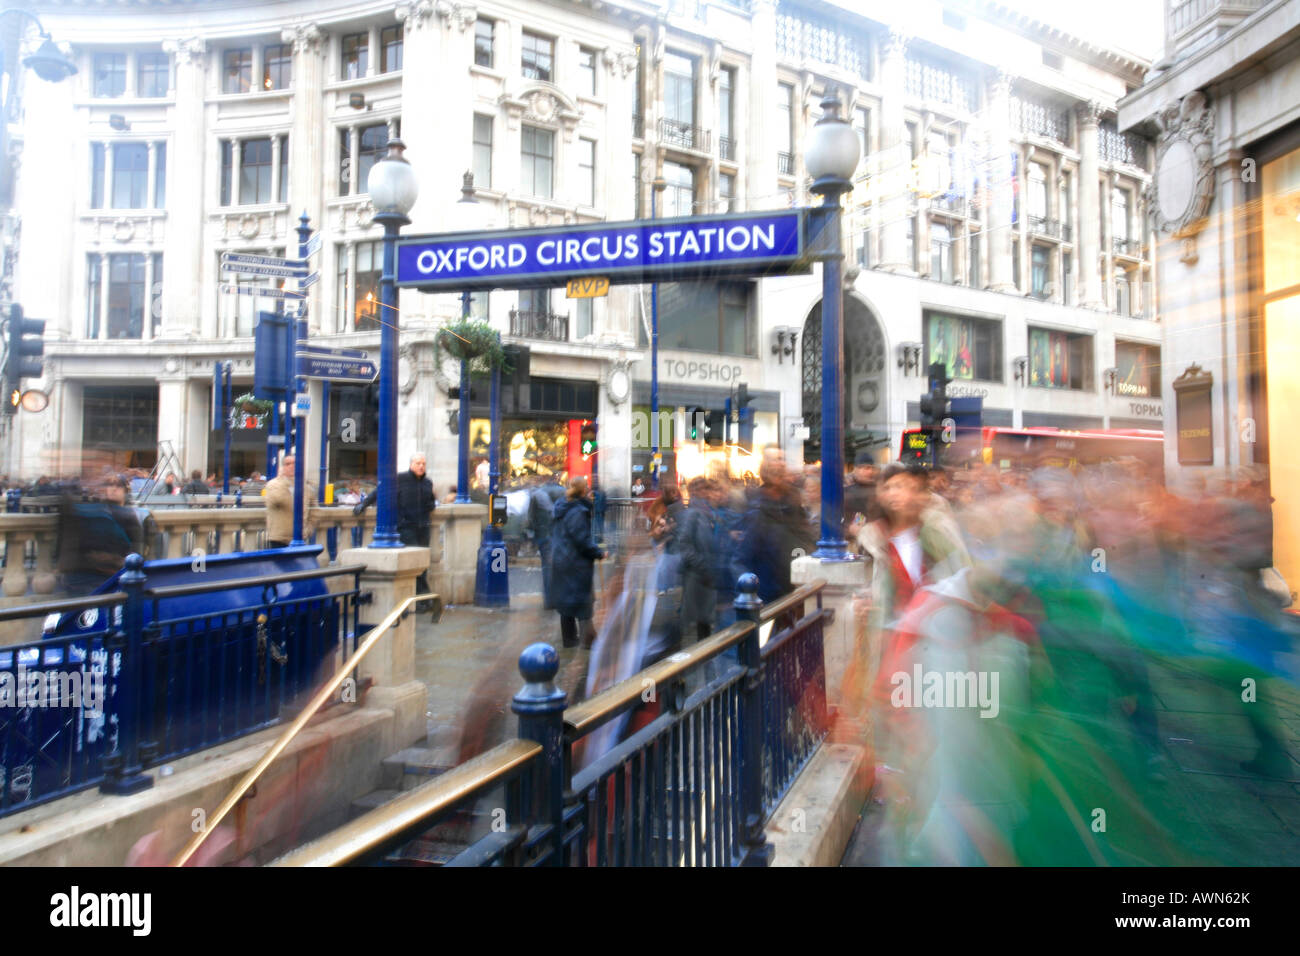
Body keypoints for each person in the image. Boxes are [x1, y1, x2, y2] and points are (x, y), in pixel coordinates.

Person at [354, 454, 436, 606]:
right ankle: (423, 599)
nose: (421, 466)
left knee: (423, 564)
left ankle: (423, 599)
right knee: (414, 563)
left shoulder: (427, 483)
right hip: (406, 527)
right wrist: (364, 504)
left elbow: (430, 501)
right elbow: (380, 491)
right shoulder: (400, 479)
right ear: (411, 464)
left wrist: (431, 506)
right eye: (418, 463)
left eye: (423, 463)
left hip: (423, 527)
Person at [549, 476, 605, 648]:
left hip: (561, 559)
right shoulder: (577, 512)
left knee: (566, 601)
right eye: (587, 487)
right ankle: (588, 640)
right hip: (576, 563)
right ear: (583, 490)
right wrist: (598, 552)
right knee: (583, 601)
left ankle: (569, 639)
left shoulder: (563, 507)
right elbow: (581, 540)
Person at [677, 477, 720, 641]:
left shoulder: (708, 512)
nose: (707, 493)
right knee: (696, 622)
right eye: (704, 490)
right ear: (695, 492)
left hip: (706, 576)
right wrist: (701, 564)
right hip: (697, 577)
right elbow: (684, 543)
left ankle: (704, 658)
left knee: (704, 622)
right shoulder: (693, 513)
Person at [264, 454, 316, 548]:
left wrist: (309, 529)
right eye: (288, 464)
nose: (292, 466)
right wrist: (282, 481)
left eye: (295, 463)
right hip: (279, 538)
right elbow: (277, 500)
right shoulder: (273, 485)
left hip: (300, 537)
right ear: (282, 467)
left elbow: (315, 509)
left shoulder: (305, 486)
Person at [843, 450, 882, 527]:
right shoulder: (847, 492)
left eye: (872, 468)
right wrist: (858, 524)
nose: (870, 472)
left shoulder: (879, 490)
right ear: (856, 469)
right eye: (866, 468)